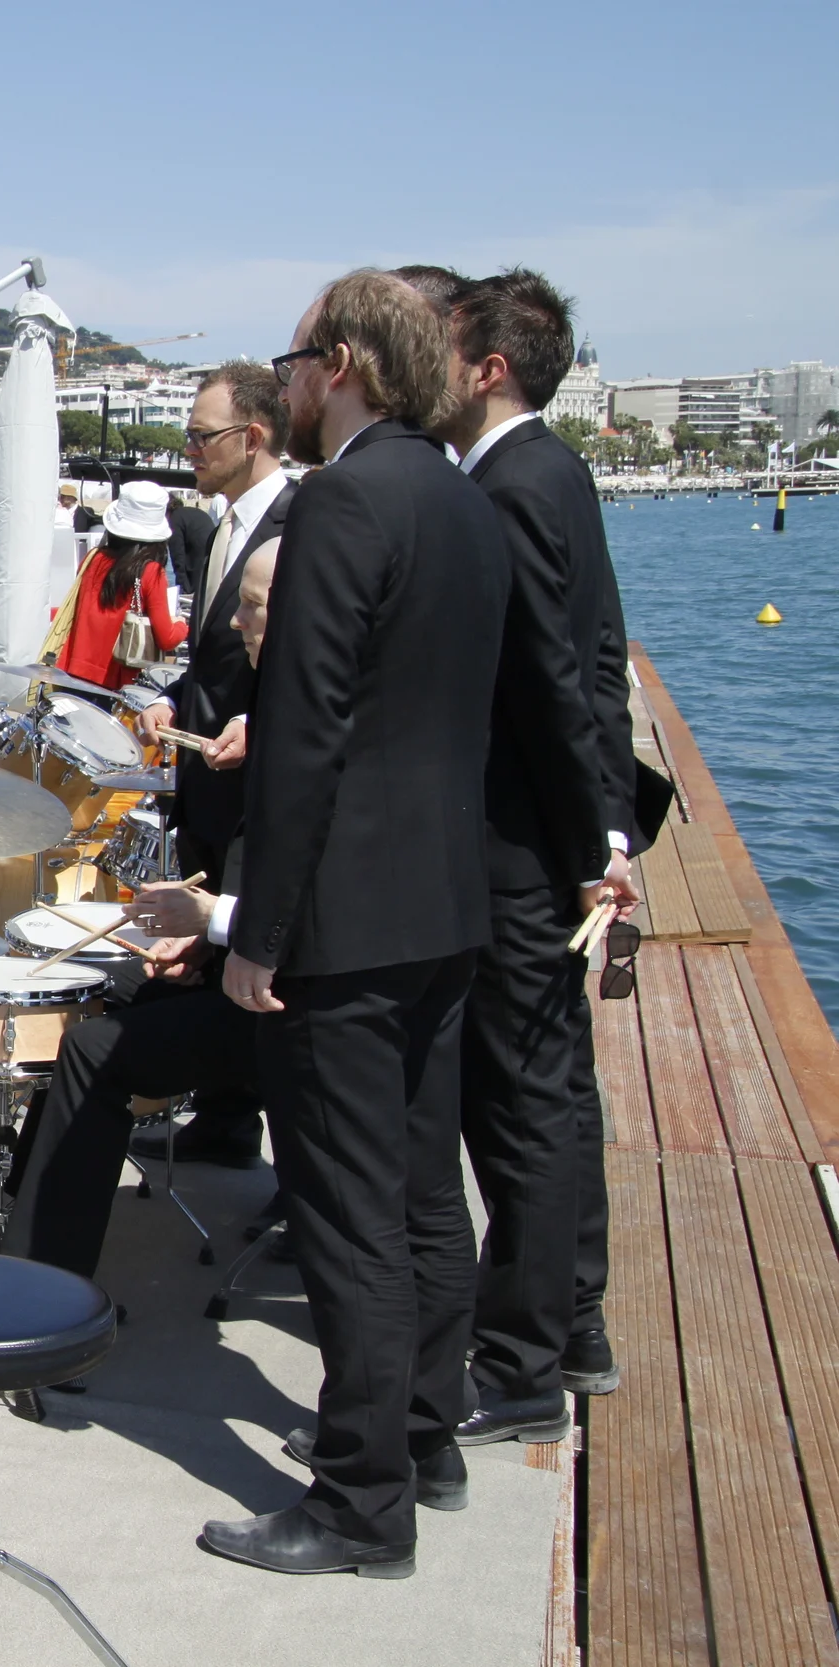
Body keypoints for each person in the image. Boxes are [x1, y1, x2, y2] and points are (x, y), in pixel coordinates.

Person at [200, 271, 510, 1580]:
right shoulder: (462, 498)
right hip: (448, 901)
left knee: (348, 1213)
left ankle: (357, 1497)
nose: (292, 390)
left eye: (299, 365)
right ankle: (424, 1438)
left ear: (344, 365)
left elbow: (307, 732)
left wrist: (256, 930)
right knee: (427, 1190)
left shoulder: (343, 502)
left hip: (346, 917)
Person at [434, 269, 640, 1429]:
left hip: (519, 848)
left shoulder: (510, 485)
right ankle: (569, 1322)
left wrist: (586, 842)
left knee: (517, 1106)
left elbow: (550, 685)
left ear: (487, 366)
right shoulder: (551, 470)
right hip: (546, 837)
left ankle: (518, 1368)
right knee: (554, 1096)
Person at [1, 538, 283, 1281]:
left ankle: (43, 1293)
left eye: (251, 609)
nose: (233, 625)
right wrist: (203, 938)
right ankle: (15, 1214)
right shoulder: (286, 702)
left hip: (295, 1002)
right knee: (92, 993)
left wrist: (211, 919)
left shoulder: (302, 725)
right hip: (244, 955)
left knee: (98, 1051)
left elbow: (305, 894)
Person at [134, 364, 296, 1168]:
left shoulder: (298, 523)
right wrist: (174, 694)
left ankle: (255, 1121)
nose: (188, 448)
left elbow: (313, 669)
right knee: (206, 963)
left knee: (248, 971)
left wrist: (255, 722)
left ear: (252, 438)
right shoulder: (220, 523)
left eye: (202, 435)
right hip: (204, 781)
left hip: (254, 791)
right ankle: (225, 1117)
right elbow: (214, 651)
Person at [53, 481, 187, 692]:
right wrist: (181, 624)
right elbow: (167, 637)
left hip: (73, 671)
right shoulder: (151, 571)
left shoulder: (92, 558)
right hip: (118, 683)